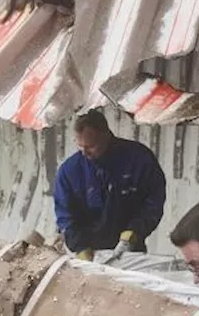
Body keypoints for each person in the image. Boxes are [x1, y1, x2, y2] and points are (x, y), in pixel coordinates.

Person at [54, 109, 167, 260]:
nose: (85, 153)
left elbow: (154, 200)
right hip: (88, 251)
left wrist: (134, 232)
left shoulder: (139, 159)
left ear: (105, 135)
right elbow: (65, 216)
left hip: (129, 248)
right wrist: (79, 247)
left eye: (90, 146)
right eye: (80, 146)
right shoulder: (69, 171)